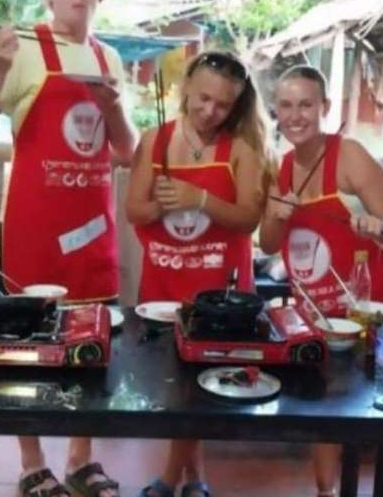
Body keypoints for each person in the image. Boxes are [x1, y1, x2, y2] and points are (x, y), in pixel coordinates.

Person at [0, 0, 134, 497]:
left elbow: (126, 151)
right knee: (25, 347)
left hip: (94, 229)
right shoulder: (27, 50)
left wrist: (112, 110)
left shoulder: (109, 59)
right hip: (35, 229)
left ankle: (81, 461)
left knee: (92, 344)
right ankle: (33, 464)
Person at [259, 65, 383, 497]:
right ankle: (325, 491)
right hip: (317, 307)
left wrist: (373, 222)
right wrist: (277, 214)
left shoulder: (350, 155)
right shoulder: (281, 168)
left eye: (306, 104)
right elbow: (269, 243)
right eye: (286, 106)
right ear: (276, 111)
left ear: (324, 107)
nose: (296, 115)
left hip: (371, 304)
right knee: (322, 403)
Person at [126, 50, 272, 497]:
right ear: (186, 85)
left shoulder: (243, 148)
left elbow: (249, 218)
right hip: (165, 284)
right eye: (203, 98)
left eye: (223, 105)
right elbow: (135, 209)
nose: (210, 111)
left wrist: (200, 199)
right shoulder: (154, 139)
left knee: (201, 389)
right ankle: (193, 479)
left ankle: (175, 479)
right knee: (174, 387)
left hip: (220, 291)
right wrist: (162, 204)